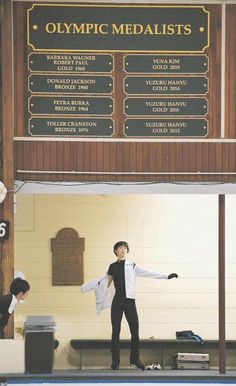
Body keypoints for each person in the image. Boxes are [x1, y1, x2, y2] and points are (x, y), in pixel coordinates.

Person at [107, 241, 178, 371]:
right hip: (117, 301)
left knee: (135, 331)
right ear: (115, 251)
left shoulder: (132, 266)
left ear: (127, 250)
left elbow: (148, 273)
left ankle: (135, 359)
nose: (123, 250)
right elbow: (106, 283)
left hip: (129, 301)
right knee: (115, 331)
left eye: (125, 248)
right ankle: (115, 361)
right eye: (120, 248)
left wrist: (166, 276)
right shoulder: (112, 267)